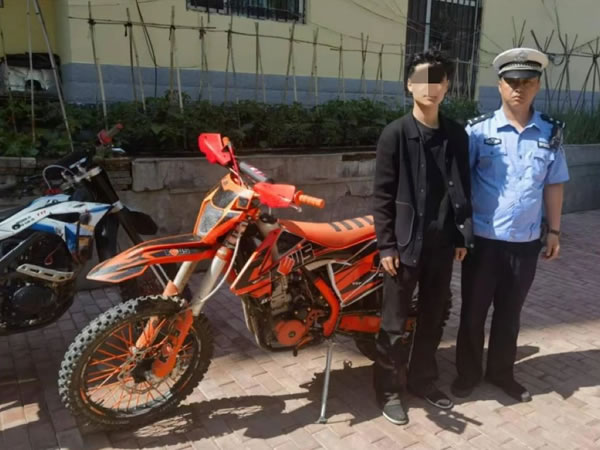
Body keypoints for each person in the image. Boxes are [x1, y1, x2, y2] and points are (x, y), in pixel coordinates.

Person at [452, 48, 570, 402]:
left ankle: (501, 373)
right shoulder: (478, 131)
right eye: (512, 81)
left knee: (510, 313)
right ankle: (467, 374)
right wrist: (458, 230)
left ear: (537, 86)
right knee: (473, 312)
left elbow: (554, 183)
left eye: (527, 82)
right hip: (484, 240)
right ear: (500, 85)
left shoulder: (550, 132)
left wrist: (554, 231)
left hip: (525, 241)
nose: (519, 88)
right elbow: (461, 183)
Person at [372, 49, 474, 425]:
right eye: (422, 80)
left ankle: (422, 380)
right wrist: (386, 244)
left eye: (438, 80)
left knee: (432, 318)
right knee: (394, 325)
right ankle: (387, 390)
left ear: (446, 86)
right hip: (403, 247)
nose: (430, 87)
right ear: (409, 85)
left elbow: (463, 187)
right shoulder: (395, 134)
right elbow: (382, 195)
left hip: (442, 244)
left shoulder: (456, 134)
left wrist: (462, 235)